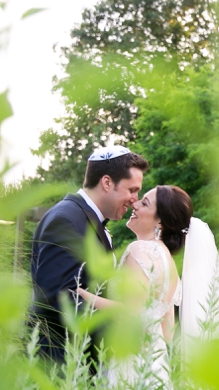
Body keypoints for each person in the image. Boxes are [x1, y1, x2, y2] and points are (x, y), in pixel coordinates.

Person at [75, 185, 219, 390]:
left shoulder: (140, 250)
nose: (135, 203)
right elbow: (167, 331)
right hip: (157, 369)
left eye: (144, 203)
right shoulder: (170, 265)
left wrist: (83, 294)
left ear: (160, 221)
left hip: (131, 367)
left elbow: (132, 312)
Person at [28, 145, 147, 368]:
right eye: (132, 190)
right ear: (107, 182)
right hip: (60, 365)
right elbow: (59, 299)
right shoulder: (67, 220)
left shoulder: (84, 218)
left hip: (82, 362)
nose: (135, 199)